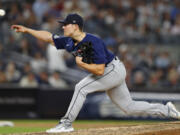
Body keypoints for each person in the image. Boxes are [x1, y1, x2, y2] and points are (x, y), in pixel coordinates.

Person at [11, 13, 180, 133]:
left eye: (66, 24)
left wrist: (82, 64)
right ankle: (167, 110)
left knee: (80, 88)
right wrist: (28, 30)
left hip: (112, 70)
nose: (63, 26)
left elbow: (99, 70)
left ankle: (66, 124)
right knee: (128, 107)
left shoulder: (92, 41)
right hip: (109, 71)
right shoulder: (69, 41)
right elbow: (49, 37)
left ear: (75, 26)